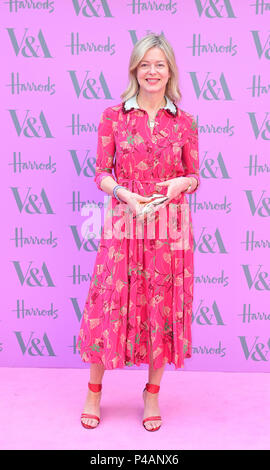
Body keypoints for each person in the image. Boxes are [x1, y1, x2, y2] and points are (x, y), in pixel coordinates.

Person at [77, 33, 200, 432]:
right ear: (135, 70)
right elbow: (100, 173)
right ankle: (94, 389)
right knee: (108, 304)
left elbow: (194, 175)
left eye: (159, 64)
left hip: (170, 224)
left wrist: (182, 184)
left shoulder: (184, 122)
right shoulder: (113, 116)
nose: (152, 71)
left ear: (170, 72)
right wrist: (125, 194)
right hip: (124, 219)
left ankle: (151, 394)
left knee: (161, 307)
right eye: (144, 64)